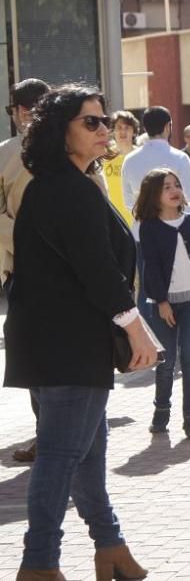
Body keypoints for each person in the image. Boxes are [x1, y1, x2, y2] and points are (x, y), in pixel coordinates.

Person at [4, 85, 156, 580]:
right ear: (60, 130)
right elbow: (98, 269)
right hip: (69, 343)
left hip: (60, 342)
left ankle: (110, 548)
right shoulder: (65, 188)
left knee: (88, 454)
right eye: (90, 121)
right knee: (60, 458)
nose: (104, 129)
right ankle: (39, 563)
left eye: (105, 120)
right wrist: (137, 329)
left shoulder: (64, 182)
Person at [135, 168, 190, 440]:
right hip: (163, 304)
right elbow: (150, 269)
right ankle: (161, 414)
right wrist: (162, 302)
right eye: (166, 186)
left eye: (176, 185)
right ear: (154, 195)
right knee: (166, 362)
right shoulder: (149, 227)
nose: (174, 190)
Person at [0, 78, 51, 466]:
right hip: (37, 269)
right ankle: (51, 433)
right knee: (39, 354)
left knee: (47, 353)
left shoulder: (69, 147)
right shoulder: (6, 154)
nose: (25, 114)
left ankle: (57, 434)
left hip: (48, 268)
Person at [121, 106, 190, 220]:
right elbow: (189, 201)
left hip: (142, 226)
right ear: (167, 127)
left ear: (145, 128)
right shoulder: (180, 158)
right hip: (174, 226)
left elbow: (128, 202)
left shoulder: (129, 160)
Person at [103, 110, 141, 227]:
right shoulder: (104, 156)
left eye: (127, 128)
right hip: (111, 218)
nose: (123, 131)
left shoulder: (140, 156)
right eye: (119, 127)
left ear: (134, 132)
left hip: (137, 219)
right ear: (112, 131)